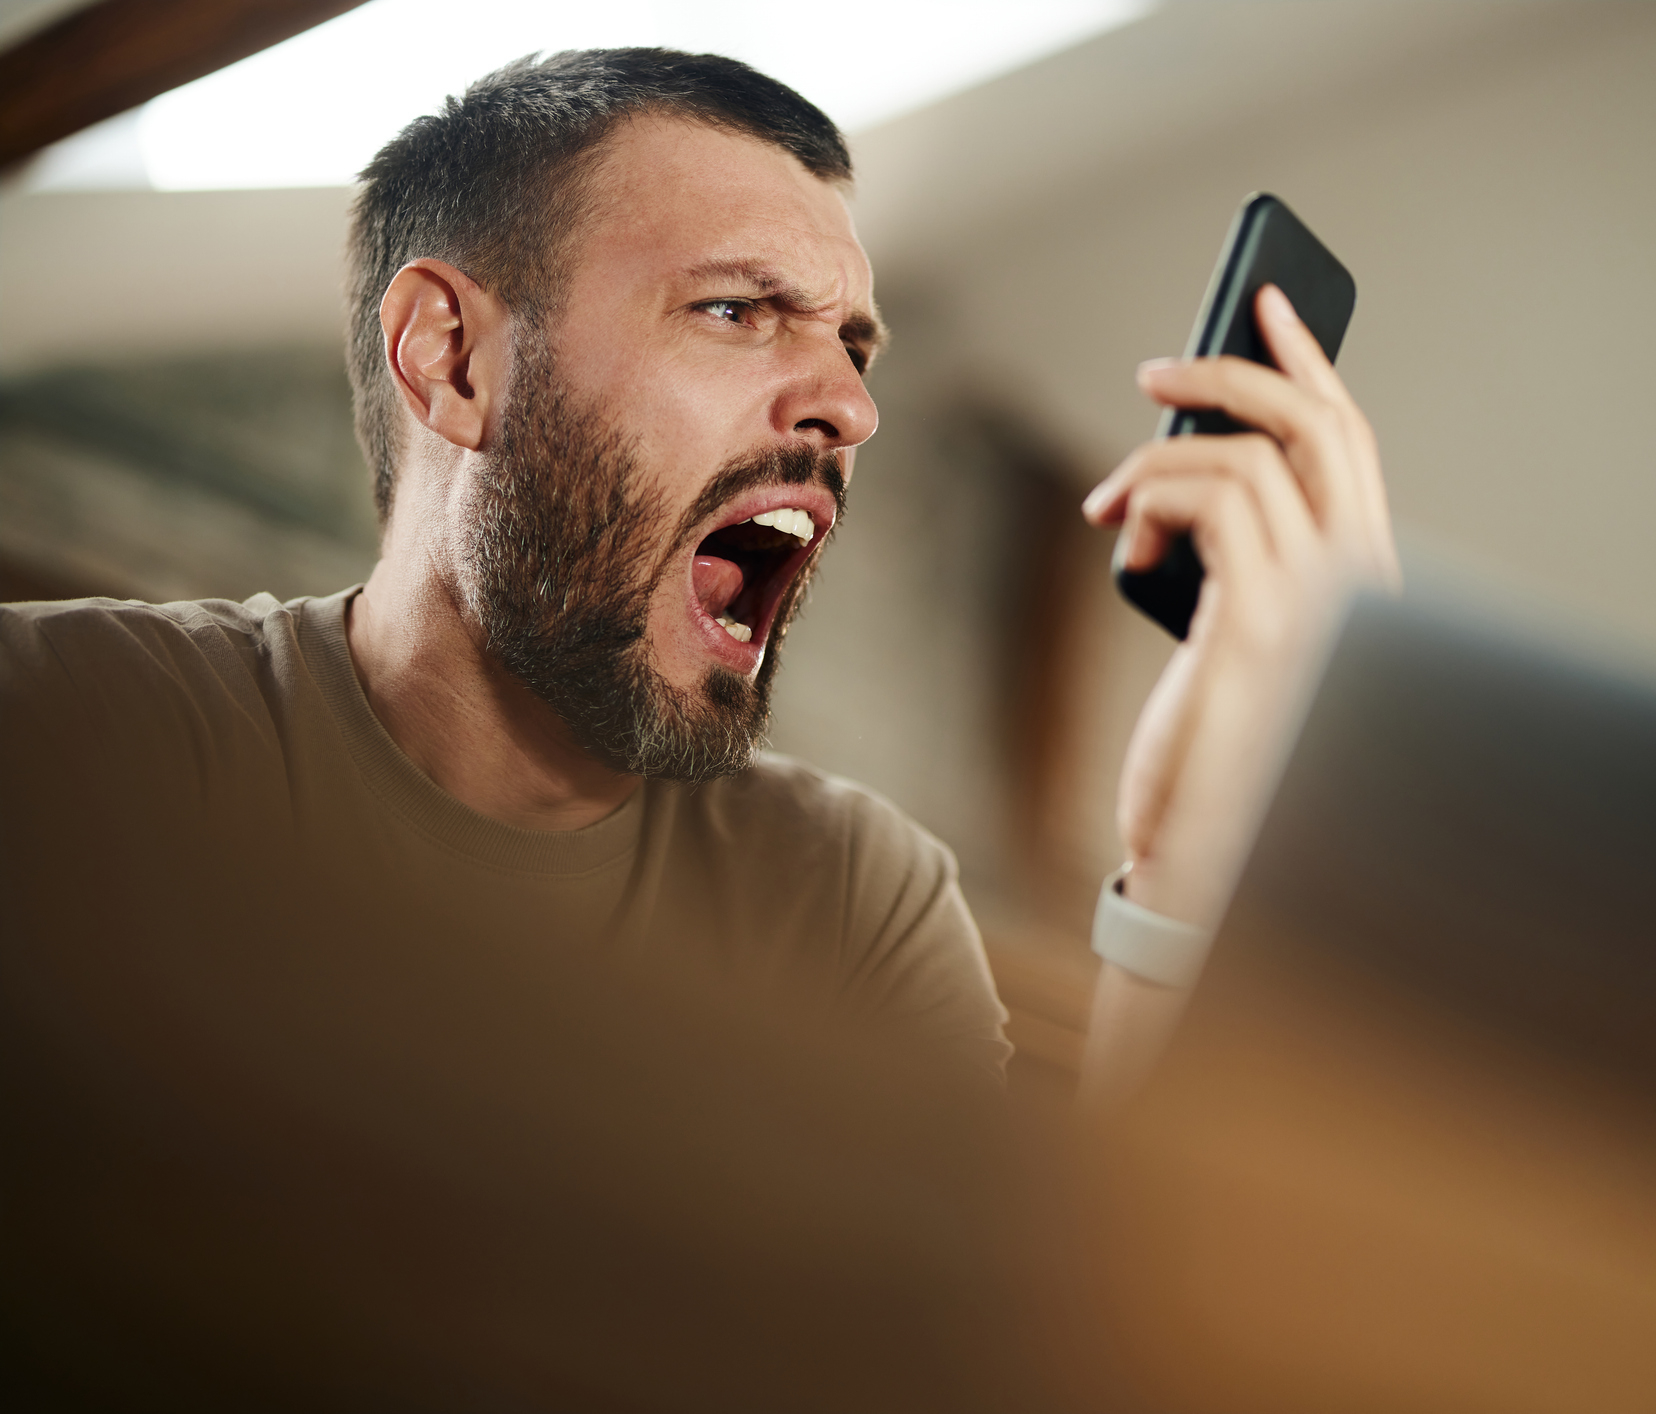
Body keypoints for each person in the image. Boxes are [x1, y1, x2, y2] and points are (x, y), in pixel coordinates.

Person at [0, 47, 1396, 1402]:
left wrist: (1186, 862)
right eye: (737, 311)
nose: (848, 405)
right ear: (453, 359)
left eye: (854, 344)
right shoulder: (74, 738)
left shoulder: (844, 896)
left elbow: (1038, 1364)